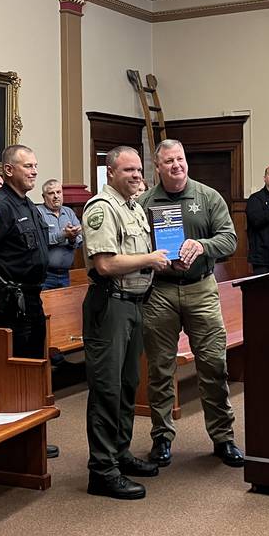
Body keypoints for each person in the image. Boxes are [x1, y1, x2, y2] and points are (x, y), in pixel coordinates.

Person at [138, 139, 243, 469]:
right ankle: (162, 437)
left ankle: (223, 437)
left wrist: (202, 245)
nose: (176, 166)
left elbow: (230, 238)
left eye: (180, 159)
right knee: (159, 369)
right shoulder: (143, 202)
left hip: (200, 289)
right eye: (168, 161)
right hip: (160, 292)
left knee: (213, 364)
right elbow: (136, 246)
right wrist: (154, 261)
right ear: (157, 167)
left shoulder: (207, 197)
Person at [82, 146, 170, 500]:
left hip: (135, 304)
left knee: (128, 384)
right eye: (128, 170)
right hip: (111, 306)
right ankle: (102, 470)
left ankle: (119, 454)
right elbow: (104, 264)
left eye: (138, 170)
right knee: (107, 388)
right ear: (110, 174)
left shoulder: (132, 208)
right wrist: (149, 258)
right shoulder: (102, 208)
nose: (136, 175)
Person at [0, 144, 59, 458]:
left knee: (31, 371)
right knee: (12, 375)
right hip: (9, 302)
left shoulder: (27, 205)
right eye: (27, 166)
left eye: (35, 165)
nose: (34, 171)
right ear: (8, 170)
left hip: (31, 299)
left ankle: (30, 433)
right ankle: (11, 442)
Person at [37, 178, 82, 290]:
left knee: (64, 306)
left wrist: (72, 238)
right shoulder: (38, 213)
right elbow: (39, 240)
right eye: (51, 193)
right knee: (46, 306)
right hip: (45, 276)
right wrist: (63, 235)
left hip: (66, 274)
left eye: (58, 192)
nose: (56, 196)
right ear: (44, 197)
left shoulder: (69, 212)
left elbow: (80, 239)